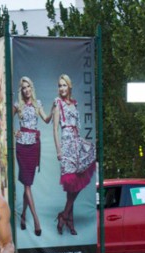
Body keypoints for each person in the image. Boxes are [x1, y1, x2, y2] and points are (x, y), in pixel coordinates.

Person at [50, 74, 96, 235]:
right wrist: (58, 151)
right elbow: (55, 129)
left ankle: (65, 216)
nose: (61, 88)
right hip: (66, 146)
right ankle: (67, 219)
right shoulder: (58, 104)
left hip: (76, 144)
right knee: (71, 183)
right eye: (59, 85)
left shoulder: (74, 104)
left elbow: (78, 126)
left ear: (69, 86)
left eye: (64, 85)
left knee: (76, 185)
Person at [13, 76, 51, 236]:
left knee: (27, 184)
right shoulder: (17, 105)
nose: (26, 90)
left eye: (28, 87)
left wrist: (55, 108)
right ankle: (36, 220)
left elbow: (47, 120)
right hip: (22, 147)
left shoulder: (38, 104)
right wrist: (15, 132)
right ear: (21, 90)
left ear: (31, 88)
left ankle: (22, 216)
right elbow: (5, 120)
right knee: (27, 184)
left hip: (34, 145)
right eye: (24, 87)